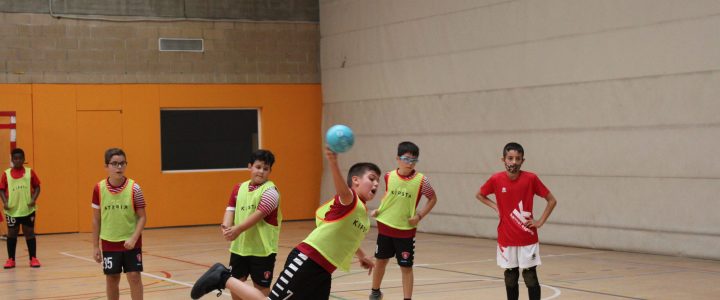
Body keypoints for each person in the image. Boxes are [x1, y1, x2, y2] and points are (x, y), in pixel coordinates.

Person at [191, 147, 381, 300]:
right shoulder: (350, 200)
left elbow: (347, 236)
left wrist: (362, 255)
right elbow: (342, 189)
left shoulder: (363, 214)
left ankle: (223, 277)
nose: (376, 184)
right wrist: (333, 162)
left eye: (378, 181)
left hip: (324, 271)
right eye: (371, 179)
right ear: (355, 180)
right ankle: (222, 277)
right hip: (307, 261)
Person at [476, 142, 557, 300]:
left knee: (530, 276)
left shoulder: (531, 178)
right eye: (510, 158)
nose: (514, 162)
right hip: (506, 238)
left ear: (522, 160)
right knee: (511, 276)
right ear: (503, 159)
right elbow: (479, 195)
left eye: (517, 159)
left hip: (527, 238)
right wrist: (496, 206)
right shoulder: (496, 179)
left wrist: (539, 222)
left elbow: (552, 200)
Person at [369, 141, 437, 300]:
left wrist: (419, 216)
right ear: (398, 159)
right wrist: (380, 209)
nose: (410, 163)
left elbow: (433, 199)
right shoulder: (388, 176)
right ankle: (375, 292)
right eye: (406, 159)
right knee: (380, 261)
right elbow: (388, 196)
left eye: (414, 160)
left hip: (405, 231)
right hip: (385, 226)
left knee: (406, 267)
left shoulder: (422, 181)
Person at [221, 149, 281, 299]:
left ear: (270, 171)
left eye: (265, 169)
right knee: (235, 287)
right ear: (250, 167)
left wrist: (237, 229)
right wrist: (226, 227)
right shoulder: (238, 188)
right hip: (239, 248)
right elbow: (230, 208)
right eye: (258, 167)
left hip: (262, 251)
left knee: (261, 291)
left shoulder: (271, 192)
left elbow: (258, 215)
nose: (261, 172)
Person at [91, 148, 147, 300]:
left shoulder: (135, 188)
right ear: (106, 166)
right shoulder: (98, 189)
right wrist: (96, 246)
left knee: (134, 276)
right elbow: (96, 219)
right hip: (109, 242)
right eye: (114, 163)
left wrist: (134, 238)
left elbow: (142, 217)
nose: (119, 167)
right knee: (112, 278)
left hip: (131, 242)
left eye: (122, 163)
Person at [0, 148, 42, 268]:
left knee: (29, 232)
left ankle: (33, 258)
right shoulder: (6, 174)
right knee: (12, 233)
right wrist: (5, 201)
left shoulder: (30, 172)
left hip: (27, 209)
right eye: (15, 158)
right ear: (12, 160)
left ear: (24, 159)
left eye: (20, 158)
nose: (18, 160)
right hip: (12, 210)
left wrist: (33, 199)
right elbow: (1, 189)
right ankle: (11, 259)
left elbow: (37, 187)